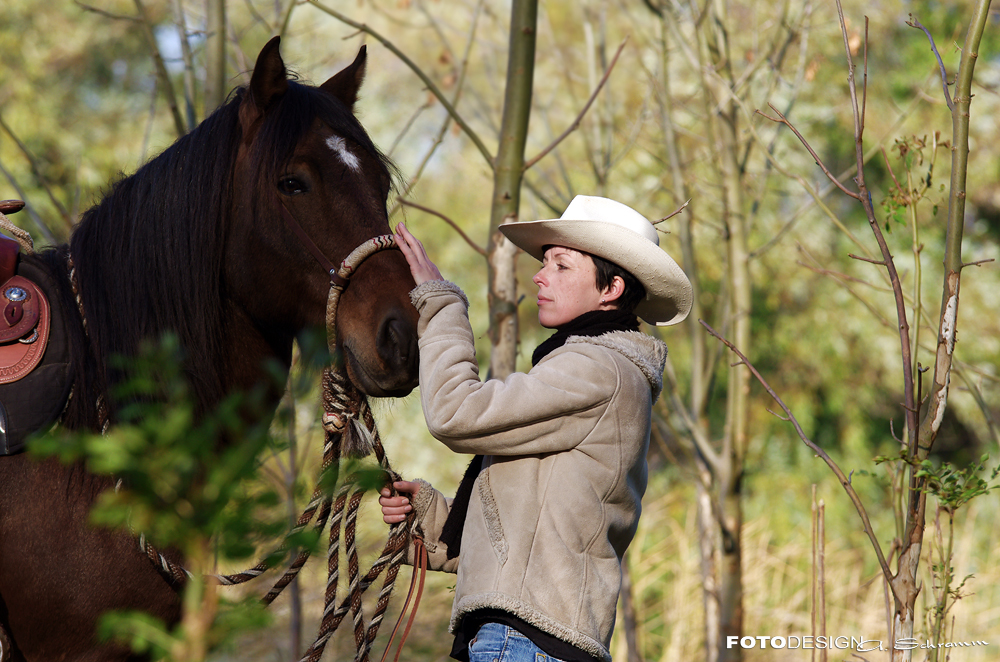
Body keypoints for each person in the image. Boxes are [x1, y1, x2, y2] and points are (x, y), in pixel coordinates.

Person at [380, 195, 692, 662]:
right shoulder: (597, 369)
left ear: (611, 289)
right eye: (545, 263)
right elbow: (532, 534)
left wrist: (440, 302)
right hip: (523, 640)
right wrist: (430, 518)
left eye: (562, 266)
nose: (540, 276)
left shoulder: (598, 369)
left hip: (522, 643)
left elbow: (454, 411)